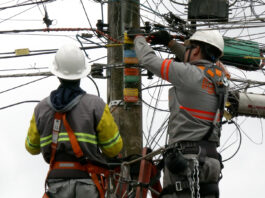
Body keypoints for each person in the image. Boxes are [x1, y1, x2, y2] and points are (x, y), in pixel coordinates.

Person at [130, 29, 229, 198]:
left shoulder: (187, 74)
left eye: (189, 48)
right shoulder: (222, 79)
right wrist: (171, 43)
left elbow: (148, 59)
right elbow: (201, 62)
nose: (186, 51)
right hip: (211, 161)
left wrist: (139, 38)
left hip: (186, 160)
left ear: (196, 50)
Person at [25, 43, 123, 198]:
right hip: (87, 182)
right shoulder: (95, 105)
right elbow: (113, 148)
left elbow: (32, 147)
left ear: (57, 73)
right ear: (82, 74)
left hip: (56, 185)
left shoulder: (41, 108)